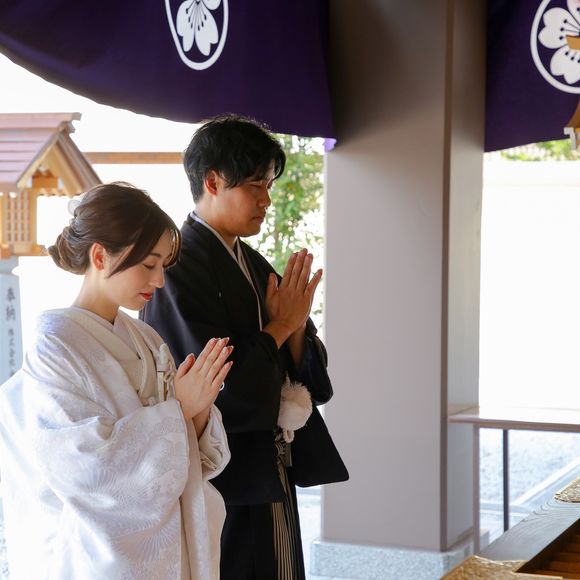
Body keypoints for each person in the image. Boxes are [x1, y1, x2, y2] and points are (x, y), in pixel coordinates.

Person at [142, 115, 348, 580]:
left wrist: (294, 328)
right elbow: (216, 384)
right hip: (221, 470)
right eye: (255, 185)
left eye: (268, 186)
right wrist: (281, 326)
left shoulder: (251, 262)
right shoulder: (176, 269)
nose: (266, 200)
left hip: (268, 464)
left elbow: (306, 372)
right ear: (213, 182)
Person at [0, 182, 232, 580]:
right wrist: (178, 409)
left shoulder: (147, 338)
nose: (159, 281)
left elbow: (186, 450)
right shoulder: (54, 345)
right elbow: (84, 465)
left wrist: (196, 412)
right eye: (149, 265)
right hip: (95, 553)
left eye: (163, 267)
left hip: (168, 544)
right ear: (100, 255)